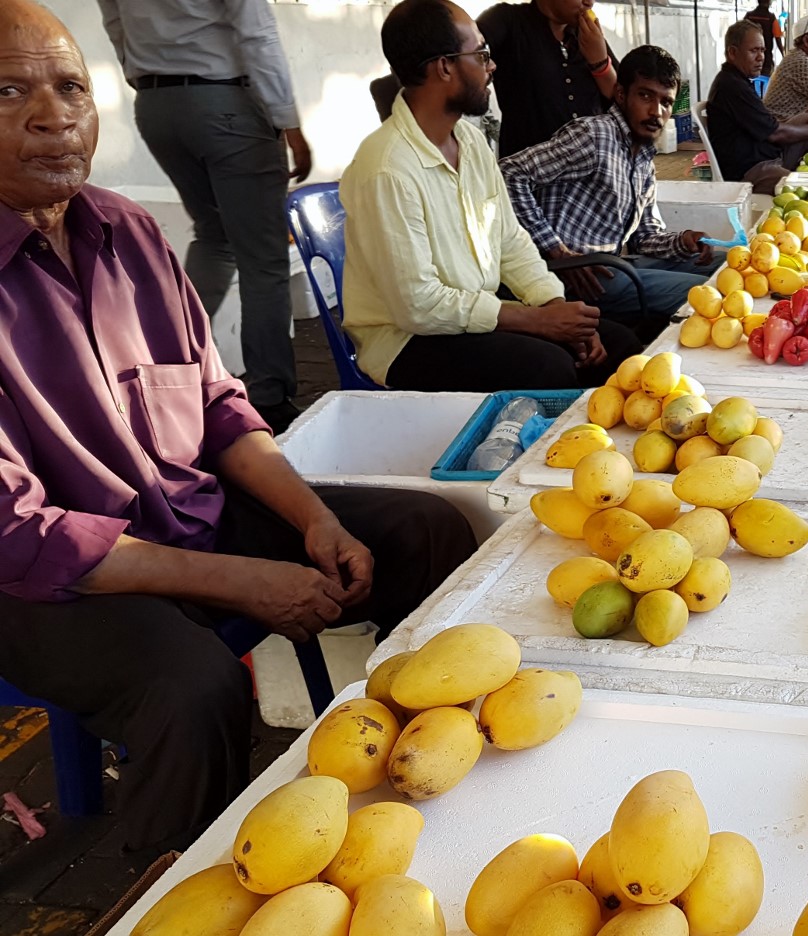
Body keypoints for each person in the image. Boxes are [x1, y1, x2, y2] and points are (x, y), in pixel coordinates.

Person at [0, 0, 477, 856]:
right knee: (194, 688)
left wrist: (312, 520)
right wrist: (239, 580)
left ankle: (407, 777)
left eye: (71, 86)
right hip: (43, 582)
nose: (52, 115)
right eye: (8, 90)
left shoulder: (130, 233)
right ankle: (168, 886)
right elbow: (20, 534)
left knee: (429, 529)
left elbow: (222, 411)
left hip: (185, 514)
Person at [341, 0, 639, 391]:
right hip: (407, 341)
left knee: (620, 348)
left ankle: (596, 450)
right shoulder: (387, 168)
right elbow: (419, 306)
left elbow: (509, 240)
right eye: (481, 54)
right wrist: (535, 321)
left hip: (470, 318)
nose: (492, 65)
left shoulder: (469, 139)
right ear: (444, 66)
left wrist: (554, 306)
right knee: (549, 369)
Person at [96, 0, 308, 432]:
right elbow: (257, 32)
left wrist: (145, 77)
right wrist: (289, 121)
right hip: (225, 100)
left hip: (156, 104)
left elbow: (116, 23)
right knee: (263, 258)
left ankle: (170, 373)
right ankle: (271, 397)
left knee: (214, 237)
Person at [501, 46, 717, 336]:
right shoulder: (594, 135)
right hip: (573, 278)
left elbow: (645, 238)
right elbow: (509, 173)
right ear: (620, 94)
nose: (656, 112)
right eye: (645, 96)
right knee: (704, 294)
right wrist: (557, 251)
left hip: (613, 264)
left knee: (725, 263)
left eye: (666, 102)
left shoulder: (643, 160)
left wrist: (684, 241)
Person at [477, 0, 617, 159]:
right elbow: (463, 50)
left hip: (590, 173)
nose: (589, 2)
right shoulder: (508, 20)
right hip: (528, 175)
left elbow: (624, 103)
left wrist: (601, 64)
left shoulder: (588, 36)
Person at [709, 21, 808, 194]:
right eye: (753, 51)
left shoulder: (739, 81)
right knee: (801, 191)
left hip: (767, 154)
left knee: (807, 119)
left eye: (762, 50)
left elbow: (766, 124)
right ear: (733, 53)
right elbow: (774, 133)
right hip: (750, 171)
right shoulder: (731, 86)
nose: (760, 58)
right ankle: (803, 180)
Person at [745, 0, 784, 77]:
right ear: (769, 2)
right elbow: (778, 38)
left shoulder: (749, 16)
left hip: (749, 58)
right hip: (766, 59)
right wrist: (784, 55)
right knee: (765, 83)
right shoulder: (771, 18)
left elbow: (741, 34)